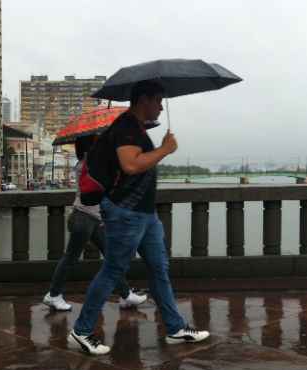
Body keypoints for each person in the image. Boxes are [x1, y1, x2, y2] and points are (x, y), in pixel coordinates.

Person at [68, 81, 210, 355]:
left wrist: (160, 149)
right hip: (126, 213)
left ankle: (174, 327)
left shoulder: (137, 129)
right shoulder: (126, 128)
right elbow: (131, 165)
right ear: (143, 99)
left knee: (159, 268)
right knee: (113, 270)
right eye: (158, 100)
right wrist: (165, 149)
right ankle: (82, 330)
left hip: (144, 214)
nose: (160, 106)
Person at [43, 136, 147, 311]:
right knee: (70, 258)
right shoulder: (90, 165)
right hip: (83, 218)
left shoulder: (86, 163)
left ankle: (125, 295)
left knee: (111, 257)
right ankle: (53, 295)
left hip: (92, 219)